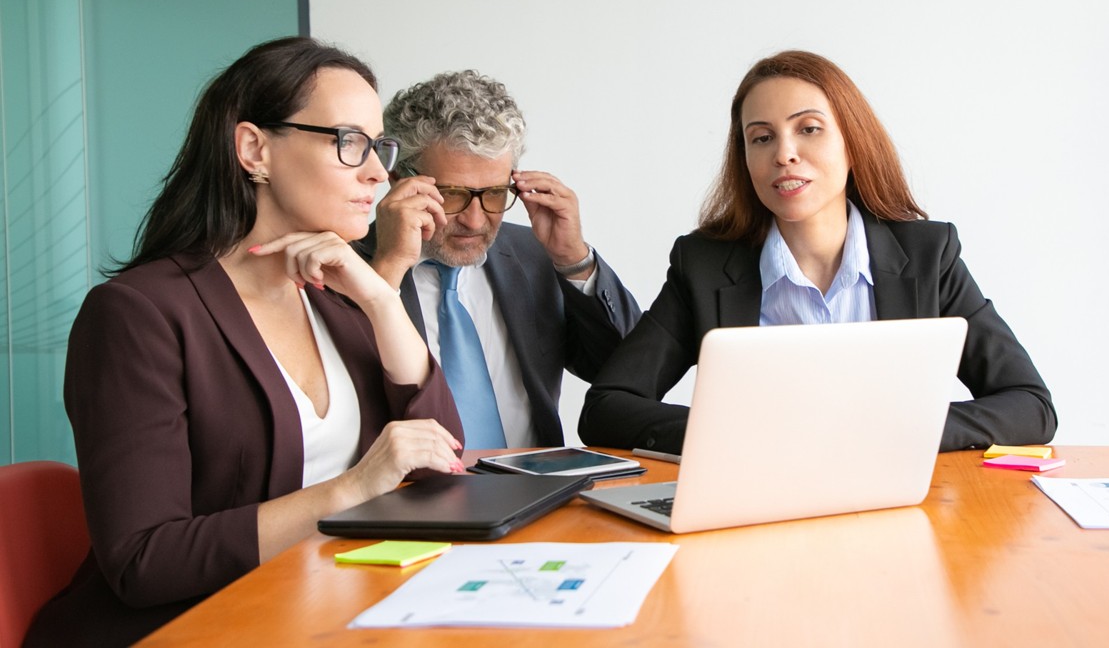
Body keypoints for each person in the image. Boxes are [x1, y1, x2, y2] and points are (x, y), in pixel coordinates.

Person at [25, 37, 466, 648]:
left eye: (378, 146)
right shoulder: (138, 314)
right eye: (349, 142)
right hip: (186, 631)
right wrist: (352, 489)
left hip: (321, 613)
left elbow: (442, 460)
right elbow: (142, 560)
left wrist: (381, 299)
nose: (377, 173)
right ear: (255, 149)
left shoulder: (336, 299)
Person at [579, 50, 1056, 454]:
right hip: (761, 503)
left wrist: (902, 431)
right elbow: (607, 407)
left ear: (853, 143)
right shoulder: (703, 266)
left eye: (808, 129)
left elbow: (1030, 405)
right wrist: (732, 435)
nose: (783, 154)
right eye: (761, 137)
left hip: (896, 499)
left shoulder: (929, 255)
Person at [354, 70, 641, 448]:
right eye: (452, 194)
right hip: (409, 484)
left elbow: (628, 373)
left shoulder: (534, 254)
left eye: (493, 193)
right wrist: (388, 269)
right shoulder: (346, 265)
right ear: (396, 178)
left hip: (535, 479)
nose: (475, 221)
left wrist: (574, 260)